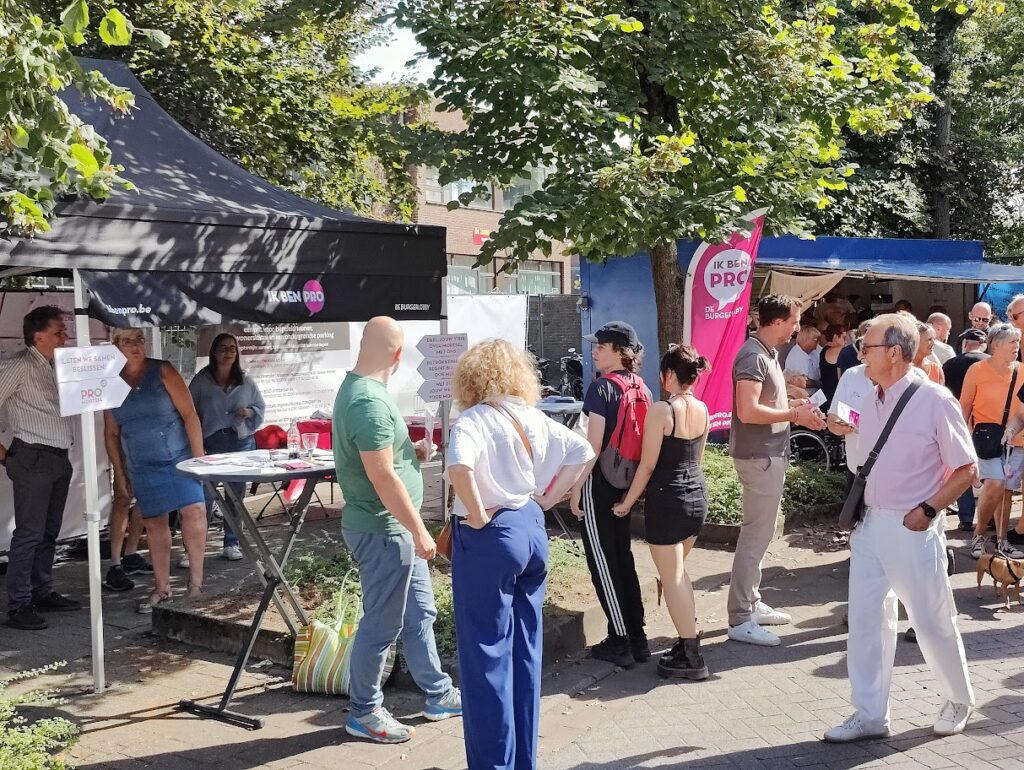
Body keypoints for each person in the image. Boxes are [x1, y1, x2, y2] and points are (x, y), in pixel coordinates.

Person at [824, 313, 975, 743]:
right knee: (868, 620)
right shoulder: (869, 393)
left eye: (866, 347)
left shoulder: (935, 400)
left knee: (930, 619)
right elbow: (846, 428)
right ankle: (870, 713)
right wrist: (833, 423)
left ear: (894, 352)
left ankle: (958, 698)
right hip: (869, 523)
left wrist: (927, 510)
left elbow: (967, 470)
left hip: (912, 526)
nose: (860, 354)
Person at [447, 339, 593, 770]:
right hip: (530, 527)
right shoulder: (533, 415)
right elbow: (583, 450)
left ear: (471, 378)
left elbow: (459, 467)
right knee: (525, 652)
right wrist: (545, 501)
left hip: (491, 536)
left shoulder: (473, 419)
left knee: (485, 654)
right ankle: (524, 761)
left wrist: (475, 516)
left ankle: (494, 764)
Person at [333, 317, 461, 744]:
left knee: (420, 613)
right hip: (386, 530)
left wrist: (413, 449)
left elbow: (385, 460)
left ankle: (438, 694)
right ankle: (364, 712)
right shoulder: (368, 400)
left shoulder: (364, 392)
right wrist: (419, 531)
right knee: (383, 625)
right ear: (399, 354)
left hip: (393, 529)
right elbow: (382, 477)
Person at [728, 295, 825, 647]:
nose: (798, 327)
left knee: (761, 533)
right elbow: (748, 411)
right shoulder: (754, 355)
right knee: (756, 536)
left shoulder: (764, 353)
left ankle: (749, 604)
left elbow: (760, 405)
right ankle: (740, 617)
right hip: (760, 457)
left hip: (766, 455)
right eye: (795, 320)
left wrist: (791, 404)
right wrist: (793, 414)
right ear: (779, 321)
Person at [612, 344, 711, 680]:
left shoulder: (661, 410)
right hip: (696, 496)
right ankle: (686, 645)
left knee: (674, 578)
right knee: (677, 575)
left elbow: (648, 465)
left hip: (668, 502)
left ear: (669, 375)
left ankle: (692, 654)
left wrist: (626, 503)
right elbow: (696, 459)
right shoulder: (703, 409)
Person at [104, 328, 208, 613]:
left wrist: (198, 458)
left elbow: (190, 415)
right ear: (115, 345)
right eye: (127, 341)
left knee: (194, 510)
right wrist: (120, 474)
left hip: (179, 458)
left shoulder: (163, 370)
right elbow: (111, 433)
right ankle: (162, 588)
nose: (136, 345)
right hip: (143, 464)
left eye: (139, 338)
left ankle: (196, 585)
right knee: (154, 524)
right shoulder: (111, 382)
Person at [570, 321, 652, 667]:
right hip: (627, 482)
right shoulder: (641, 387)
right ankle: (638, 634)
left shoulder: (601, 389)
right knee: (622, 557)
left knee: (602, 562)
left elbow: (592, 446)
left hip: (599, 483)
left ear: (619, 351)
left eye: (601, 346)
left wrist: (575, 490)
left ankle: (620, 640)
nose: (594, 350)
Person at [0, 306, 80, 631]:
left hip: (58, 459)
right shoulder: (19, 366)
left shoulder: (55, 366)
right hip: (32, 458)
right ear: (39, 336)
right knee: (30, 534)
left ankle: (41, 590)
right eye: (60, 331)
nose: (66, 336)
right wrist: (6, 456)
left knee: (48, 532)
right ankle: (18, 605)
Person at [189, 332, 266, 561]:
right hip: (210, 442)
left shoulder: (245, 380)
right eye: (223, 348)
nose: (229, 352)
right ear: (213, 351)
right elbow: (188, 411)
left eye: (233, 348)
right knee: (204, 496)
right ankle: (195, 549)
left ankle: (231, 543)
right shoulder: (201, 380)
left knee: (235, 497)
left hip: (239, 442)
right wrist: (194, 442)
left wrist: (249, 412)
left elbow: (259, 406)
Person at [959, 323, 1024, 560]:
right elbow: (963, 408)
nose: (1017, 347)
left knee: (1006, 492)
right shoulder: (977, 370)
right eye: (1012, 343)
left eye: (1018, 342)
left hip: (1016, 441)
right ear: (995, 345)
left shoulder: (1022, 371)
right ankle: (978, 534)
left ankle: (1002, 540)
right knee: (995, 484)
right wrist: (962, 443)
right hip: (985, 440)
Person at [943, 328, 989, 532]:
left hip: (958, 421)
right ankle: (992, 518)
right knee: (990, 471)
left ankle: (966, 517)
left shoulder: (951, 363)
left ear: (964, 344)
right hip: (988, 424)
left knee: (963, 468)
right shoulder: (992, 363)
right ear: (984, 344)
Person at [827, 322, 875, 479]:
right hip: (856, 470)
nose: (859, 355)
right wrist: (837, 425)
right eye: (861, 345)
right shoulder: (851, 375)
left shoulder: (911, 382)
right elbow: (834, 417)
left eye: (867, 348)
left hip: (891, 476)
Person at [783, 324, 822, 392]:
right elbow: (803, 382)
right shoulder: (796, 356)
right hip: (805, 394)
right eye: (816, 340)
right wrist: (818, 384)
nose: (818, 343)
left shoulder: (812, 351)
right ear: (807, 340)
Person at [818, 324, 847, 412]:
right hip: (833, 396)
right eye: (844, 338)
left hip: (825, 394)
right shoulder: (837, 350)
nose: (845, 341)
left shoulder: (824, 350)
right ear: (835, 337)